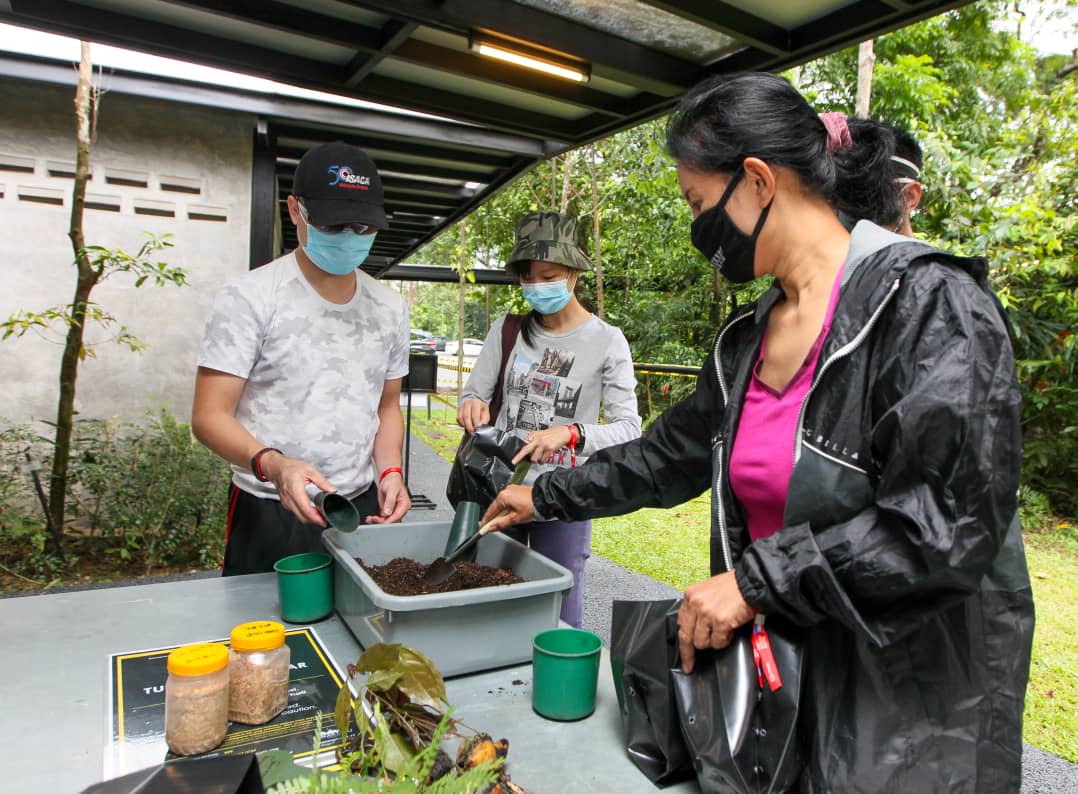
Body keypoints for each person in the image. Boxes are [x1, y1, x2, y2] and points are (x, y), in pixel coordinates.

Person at [481, 74, 1033, 792]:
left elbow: (945, 524)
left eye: (697, 203)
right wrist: (545, 496)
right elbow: (662, 458)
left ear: (758, 181)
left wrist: (753, 584)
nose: (696, 228)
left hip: (906, 719)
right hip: (779, 691)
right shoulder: (743, 344)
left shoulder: (928, 305)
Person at [193, 141, 411, 576]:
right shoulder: (251, 297)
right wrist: (274, 464)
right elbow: (209, 417)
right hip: (269, 504)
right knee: (261, 632)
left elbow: (385, 406)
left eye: (363, 228)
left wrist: (390, 471)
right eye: (335, 226)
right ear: (295, 211)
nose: (350, 237)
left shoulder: (389, 307)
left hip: (360, 503)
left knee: (359, 629)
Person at [456, 211, 642, 627]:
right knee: (489, 596)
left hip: (563, 495)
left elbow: (630, 429)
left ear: (574, 272)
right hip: (498, 485)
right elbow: (474, 394)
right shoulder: (507, 330)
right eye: (529, 277)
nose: (537, 286)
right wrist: (470, 405)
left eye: (549, 275)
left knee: (560, 606)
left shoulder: (607, 341)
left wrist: (572, 433)